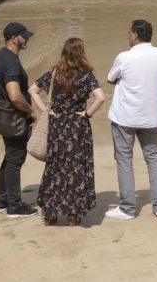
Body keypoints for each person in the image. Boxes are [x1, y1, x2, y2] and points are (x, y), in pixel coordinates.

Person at [30, 38, 105, 226]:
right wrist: (87, 114)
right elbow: (101, 98)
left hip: (57, 125)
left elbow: (33, 90)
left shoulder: (55, 72)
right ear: (81, 53)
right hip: (77, 127)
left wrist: (45, 110)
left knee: (55, 167)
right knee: (76, 168)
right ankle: (73, 214)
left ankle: (51, 214)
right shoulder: (86, 75)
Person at [105, 20, 157, 219]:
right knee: (154, 159)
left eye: (129, 33)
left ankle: (127, 208)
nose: (128, 36)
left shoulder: (125, 57)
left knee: (124, 160)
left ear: (135, 36)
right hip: (150, 116)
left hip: (125, 117)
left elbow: (110, 78)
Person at [0, 22, 38, 218]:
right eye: (23, 36)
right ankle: (14, 206)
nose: (27, 39)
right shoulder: (11, 61)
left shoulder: (0, 57)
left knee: (9, 157)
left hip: (4, 116)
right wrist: (30, 112)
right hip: (15, 118)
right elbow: (15, 95)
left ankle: (2, 201)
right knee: (15, 160)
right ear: (13, 38)